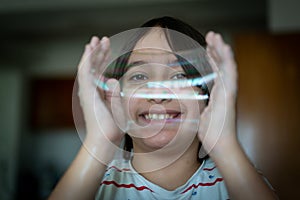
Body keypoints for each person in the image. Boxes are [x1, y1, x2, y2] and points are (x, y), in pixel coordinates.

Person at [49, 16, 276, 199]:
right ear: (117, 98)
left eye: (179, 76)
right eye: (139, 76)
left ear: (207, 97)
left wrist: (225, 145)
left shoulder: (239, 183)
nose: (158, 93)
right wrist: (99, 141)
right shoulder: (91, 186)